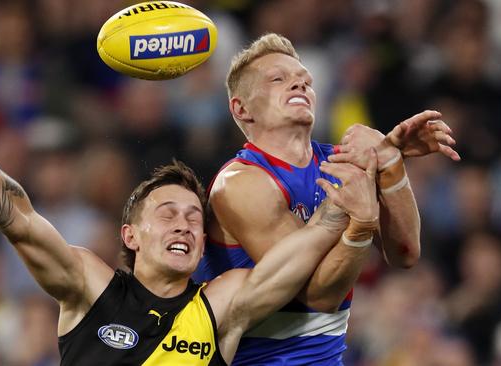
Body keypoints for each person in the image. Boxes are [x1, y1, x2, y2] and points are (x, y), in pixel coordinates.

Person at [0, 93, 380, 365]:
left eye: (194, 216)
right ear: (130, 236)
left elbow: (296, 258)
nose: (185, 224)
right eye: (167, 213)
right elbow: (21, 222)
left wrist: (348, 208)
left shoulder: (221, 303)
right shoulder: (91, 287)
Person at [193, 33, 461, 364]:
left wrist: (390, 163)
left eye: (305, 81)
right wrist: (359, 226)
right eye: (279, 79)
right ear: (241, 108)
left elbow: (405, 253)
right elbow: (316, 296)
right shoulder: (240, 183)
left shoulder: (341, 162)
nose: (298, 85)